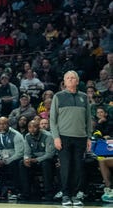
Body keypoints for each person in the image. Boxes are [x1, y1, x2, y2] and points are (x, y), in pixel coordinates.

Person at [50, 70, 91, 207]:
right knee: (66, 167)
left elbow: (88, 119)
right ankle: (66, 194)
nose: (70, 80)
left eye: (73, 78)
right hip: (64, 137)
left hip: (81, 137)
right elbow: (53, 120)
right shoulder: (58, 96)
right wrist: (56, 137)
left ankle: (75, 195)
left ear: (77, 81)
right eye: (68, 78)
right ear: (64, 81)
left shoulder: (84, 97)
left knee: (78, 167)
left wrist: (89, 138)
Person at [0, 116, 24, 200]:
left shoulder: (16, 135)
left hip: (13, 160)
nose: (2, 126)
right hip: (2, 161)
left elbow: (19, 154)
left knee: (15, 163)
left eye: (4, 124)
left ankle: (15, 192)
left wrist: (6, 161)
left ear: (8, 124)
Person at [19, 119, 55, 201]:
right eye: (30, 127)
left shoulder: (48, 136)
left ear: (39, 127)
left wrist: (37, 160)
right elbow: (27, 152)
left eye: (34, 127)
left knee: (46, 163)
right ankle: (26, 193)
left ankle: (48, 193)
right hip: (34, 160)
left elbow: (50, 154)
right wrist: (26, 159)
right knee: (22, 163)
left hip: (47, 159)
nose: (32, 129)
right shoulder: (27, 136)